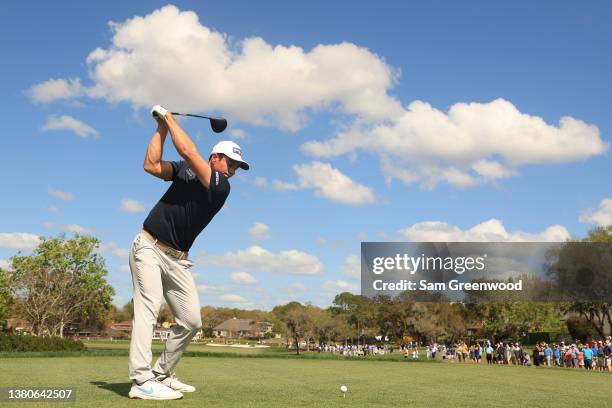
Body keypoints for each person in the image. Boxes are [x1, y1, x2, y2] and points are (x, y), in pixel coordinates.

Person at [127, 105, 249, 400]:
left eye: (236, 166)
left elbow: (189, 153)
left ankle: (162, 373)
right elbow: (151, 165)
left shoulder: (220, 188)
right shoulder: (186, 172)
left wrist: (167, 117)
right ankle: (141, 380)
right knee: (148, 306)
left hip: (178, 260)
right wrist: (161, 128)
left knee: (192, 321)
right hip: (148, 246)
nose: (233, 170)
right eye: (230, 163)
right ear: (215, 157)